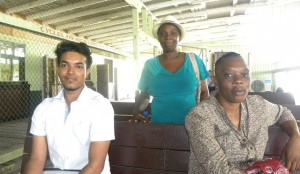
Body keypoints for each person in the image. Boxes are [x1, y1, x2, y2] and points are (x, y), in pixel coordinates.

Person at [185, 52, 300, 173]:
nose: (239, 80)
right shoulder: (200, 116)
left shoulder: (258, 106)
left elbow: (283, 113)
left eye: (244, 74)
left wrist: (295, 136)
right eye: (228, 75)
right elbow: (219, 170)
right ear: (215, 80)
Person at [24, 41, 115, 174]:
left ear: (87, 72)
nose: (70, 72)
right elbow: (37, 159)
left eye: (78, 67)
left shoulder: (100, 106)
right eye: (65, 65)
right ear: (58, 69)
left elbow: (95, 166)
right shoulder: (44, 108)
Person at [131, 16, 210, 124]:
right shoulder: (150, 65)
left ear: (179, 37)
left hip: (191, 128)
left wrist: (204, 117)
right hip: (159, 128)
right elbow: (145, 94)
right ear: (158, 38)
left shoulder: (193, 60)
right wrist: (137, 112)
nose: (168, 37)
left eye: (173, 33)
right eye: (163, 33)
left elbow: (204, 91)